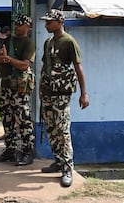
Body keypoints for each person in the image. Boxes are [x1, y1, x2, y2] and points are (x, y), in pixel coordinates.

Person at [39, 9, 89, 187]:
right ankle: (59, 161)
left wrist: (84, 93)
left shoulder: (69, 42)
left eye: (49, 21)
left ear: (60, 22)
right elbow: (45, 67)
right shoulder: (48, 42)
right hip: (47, 93)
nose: (46, 24)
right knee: (51, 129)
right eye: (46, 22)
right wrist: (40, 89)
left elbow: (78, 68)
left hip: (62, 94)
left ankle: (68, 168)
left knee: (63, 131)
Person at [0, 14, 36, 167]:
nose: (17, 27)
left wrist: (8, 59)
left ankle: (27, 151)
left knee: (23, 119)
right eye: (16, 24)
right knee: (7, 118)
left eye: (21, 24)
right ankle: (10, 149)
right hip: (6, 86)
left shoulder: (28, 43)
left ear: (28, 27)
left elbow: (25, 65)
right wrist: (1, 58)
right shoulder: (7, 41)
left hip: (19, 88)